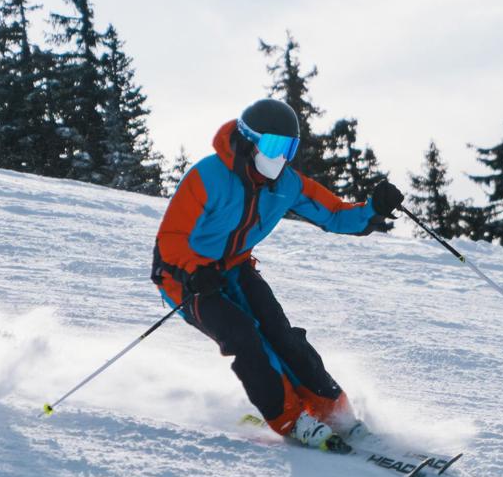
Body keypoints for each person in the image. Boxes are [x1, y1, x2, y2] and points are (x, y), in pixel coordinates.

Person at [150, 99, 403, 453]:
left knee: (280, 334)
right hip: (186, 277)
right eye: (273, 146)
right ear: (248, 141)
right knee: (244, 336)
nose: (280, 157)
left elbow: (334, 214)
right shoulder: (207, 177)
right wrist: (192, 273)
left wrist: (373, 209)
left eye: (289, 148)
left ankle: (335, 412)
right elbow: (171, 239)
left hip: (235, 268)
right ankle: (291, 419)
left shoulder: (287, 184)